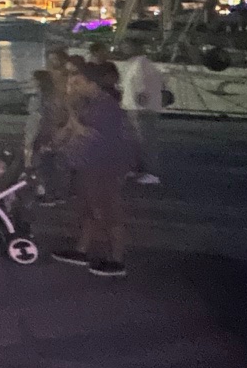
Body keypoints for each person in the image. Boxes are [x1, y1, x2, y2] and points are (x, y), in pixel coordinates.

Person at [50, 62, 138, 278]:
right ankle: (82, 250)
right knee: (88, 209)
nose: (74, 87)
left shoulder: (106, 106)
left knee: (108, 211)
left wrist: (71, 114)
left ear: (92, 83)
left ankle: (117, 259)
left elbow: (89, 133)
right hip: (88, 164)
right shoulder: (90, 104)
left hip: (104, 166)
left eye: (78, 83)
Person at [119, 47, 166, 185]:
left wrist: (141, 105)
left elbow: (141, 87)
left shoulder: (140, 65)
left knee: (145, 141)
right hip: (136, 108)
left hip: (140, 109)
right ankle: (138, 169)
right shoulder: (138, 64)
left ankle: (151, 173)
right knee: (137, 141)